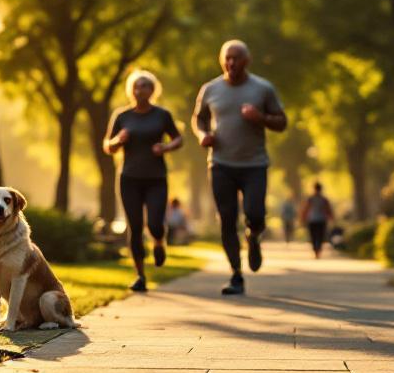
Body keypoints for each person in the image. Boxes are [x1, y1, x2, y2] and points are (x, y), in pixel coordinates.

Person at [192, 40, 288, 296]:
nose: (231, 63)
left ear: (247, 60)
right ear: (221, 61)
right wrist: (203, 134)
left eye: (236, 58)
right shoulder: (210, 88)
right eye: (227, 59)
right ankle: (236, 275)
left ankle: (254, 237)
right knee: (227, 220)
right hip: (221, 164)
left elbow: (282, 122)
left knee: (256, 214)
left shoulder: (262, 88)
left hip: (254, 164)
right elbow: (198, 118)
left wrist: (262, 118)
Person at [103, 70, 183, 292]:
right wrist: (119, 140)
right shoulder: (122, 116)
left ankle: (159, 241)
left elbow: (179, 138)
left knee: (156, 224)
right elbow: (108, 146)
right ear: (131, 90)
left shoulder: (162, 115)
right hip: (129, 178)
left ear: (153, 90)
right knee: (135, 227)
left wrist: (165, 147)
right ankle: (140, 275)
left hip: (156, 178)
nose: (140, 90)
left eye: (145, 86)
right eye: (137, 86)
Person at [299, 182, 335, 258]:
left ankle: (316, 250)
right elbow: (328, 209)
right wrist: (331, 217)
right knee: (319, 236)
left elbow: (306, 209)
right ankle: (318, 250)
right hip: (321, 220)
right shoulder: (323, 199)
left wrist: (302, 218)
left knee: (314, 236)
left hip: (313, 220)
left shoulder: (311, 199)